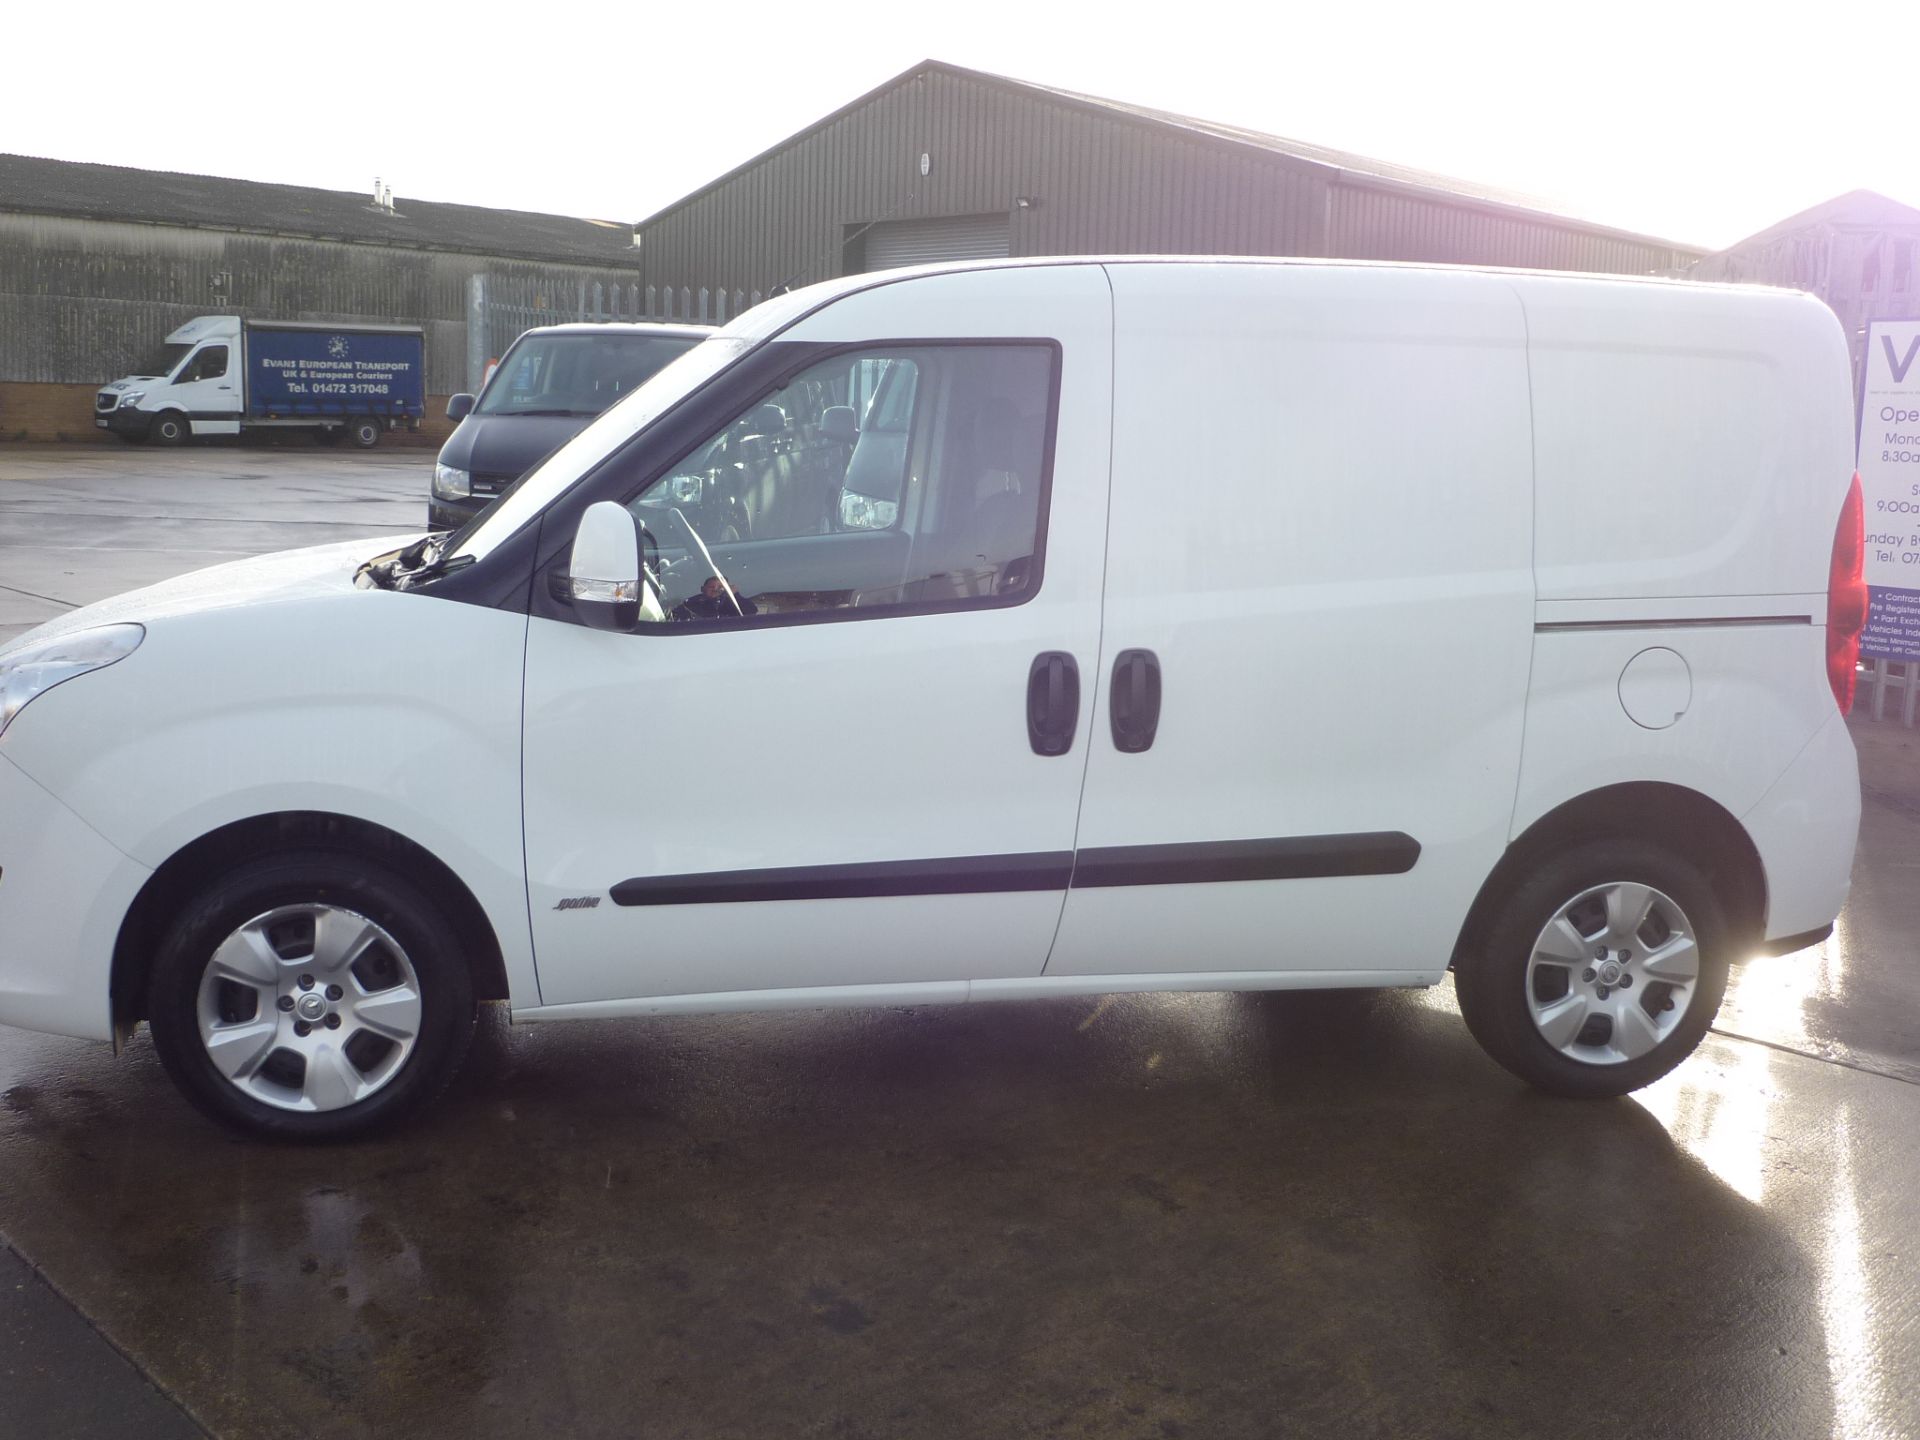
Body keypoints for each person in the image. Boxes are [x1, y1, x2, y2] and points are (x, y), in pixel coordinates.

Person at [671, 574, 757, 622]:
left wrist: (735, 595)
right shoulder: (692, 603)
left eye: (720, 587)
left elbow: (751, 611)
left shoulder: (733, 603)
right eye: (711, 587)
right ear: (703, 589)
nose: (716, 589)